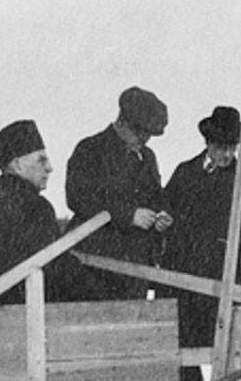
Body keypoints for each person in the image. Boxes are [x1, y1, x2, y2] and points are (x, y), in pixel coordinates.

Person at [162, 106, 241, 381]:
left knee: (225, 352)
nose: (226, 154)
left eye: (232, 148)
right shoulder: (184, 173)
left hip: (221, 285)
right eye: (220, 147)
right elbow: (165, 210)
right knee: (181, 351)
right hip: (180, 283)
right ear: (207, 143)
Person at [0, 120, 103, 305]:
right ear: (17, 165)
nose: (49, 167)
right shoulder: (37, 207)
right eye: (41, 160)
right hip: (24, 316)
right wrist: (96, 289)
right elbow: (53, 268)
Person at [65, 87, 173, 299]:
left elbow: (156, 196)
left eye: (149, 136)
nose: (145, 141)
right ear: (122, 122)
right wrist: (128, 215)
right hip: (94, 265)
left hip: (135, 269)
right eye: (140, 133)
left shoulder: (148, 157)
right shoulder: (90, 149)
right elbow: (78, 197)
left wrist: (162, 215)